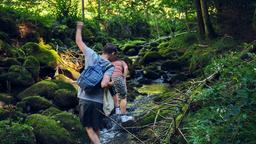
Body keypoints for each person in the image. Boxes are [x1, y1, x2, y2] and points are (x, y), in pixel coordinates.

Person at [76, 21, 116, 144]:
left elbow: (79, 41)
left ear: (103, 50)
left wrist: (79, 28)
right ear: (113, 53)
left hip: (85, 99)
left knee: (88, 128)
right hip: (98, 101)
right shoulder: (109, 66)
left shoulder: (91, 54)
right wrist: (111, 84)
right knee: (96, 128)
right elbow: (104, 84)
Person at [107, 47, 133, 122]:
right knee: (123, 97)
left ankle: (117, 110)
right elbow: (126, 68)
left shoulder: (108, 62)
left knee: (114, 94)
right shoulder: (121, 62)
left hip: (109, 79)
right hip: (118, 78)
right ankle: (123, 116)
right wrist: (124, 77)